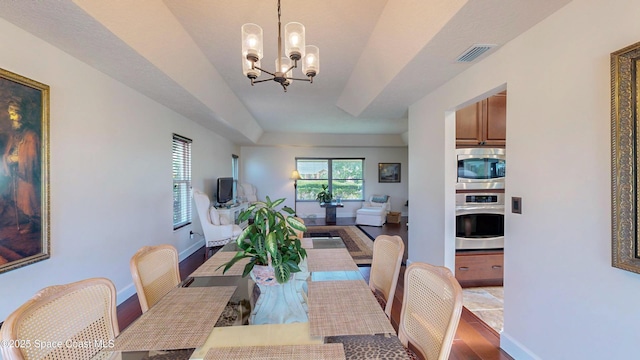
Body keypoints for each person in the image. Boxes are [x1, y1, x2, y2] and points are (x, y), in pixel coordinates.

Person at [2, 99, 40, 233]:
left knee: (32, 201)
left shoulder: (31, 135)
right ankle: (31, 222)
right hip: (19, 174)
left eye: (14, 113)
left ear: (22, 114)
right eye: (10, 113)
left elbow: (33, 157)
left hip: (28, 175)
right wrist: (8, 158)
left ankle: (36, 222)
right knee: (22, 201)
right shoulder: (15, 134)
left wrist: (18, 158)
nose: (12, 117)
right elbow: (9, 150)